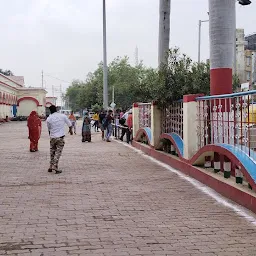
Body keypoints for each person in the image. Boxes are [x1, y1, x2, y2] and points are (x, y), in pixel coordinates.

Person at [46, 105, 73, 174]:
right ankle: (55, 166)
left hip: (52, 137)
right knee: (58, 152)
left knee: (52, 152)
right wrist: (70, 131)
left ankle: (51, 166)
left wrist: (51, 135)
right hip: (60, 137)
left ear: (50, 110)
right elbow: (70, 125)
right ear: (56, 109)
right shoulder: (62, 116)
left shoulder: (49, 118)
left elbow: (49, 129)